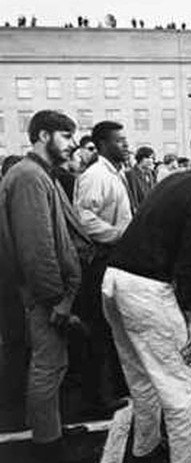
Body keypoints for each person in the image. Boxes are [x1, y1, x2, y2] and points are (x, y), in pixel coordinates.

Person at [101, 135, 191, 463]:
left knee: (140, 377)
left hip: (114, 281)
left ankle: (145, 447)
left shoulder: (175, 180)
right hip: (146, 291)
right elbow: (188, 262)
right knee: (179, 388)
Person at [0, 110, 92, 463]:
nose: (73, 145)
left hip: (48, 294)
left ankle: (50, 428)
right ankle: (47, 445)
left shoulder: (38, 174)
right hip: (44, 297)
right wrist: (58, 301)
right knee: (47, 366)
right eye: (66, 136)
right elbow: (37, 249)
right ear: (42, 136)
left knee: (54, 365)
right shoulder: (28, 177)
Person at [74, 120, 132, 417]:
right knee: (99, 329)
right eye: (119, 141)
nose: (126, 145)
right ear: (103, 145)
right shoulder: (96, 176)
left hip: (114, 256)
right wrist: (118, 235)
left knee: (113, 328)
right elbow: (84, 218)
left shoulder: (114, 173)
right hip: (101, 258)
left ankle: (118, 388)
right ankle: (97, 398)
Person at [125, 146, 156, 212]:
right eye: (148, 158)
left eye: (152, 158)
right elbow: (133, 196)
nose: (151, 161)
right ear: (140, 158)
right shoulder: (131, 173)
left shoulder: (150, 173)